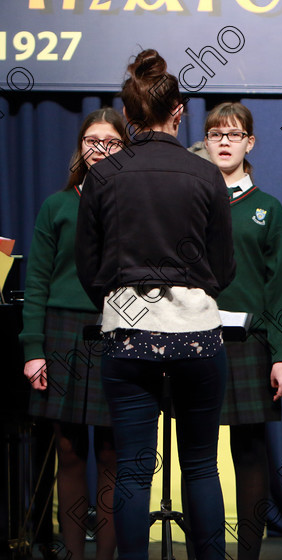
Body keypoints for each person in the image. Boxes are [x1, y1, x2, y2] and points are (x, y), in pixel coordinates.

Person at [75, 49, 235, 560]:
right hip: (196, 334)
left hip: (126, 334)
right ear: (179, 112)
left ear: (127, 115)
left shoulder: (102, 177)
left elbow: (87, 265)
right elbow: (224, 267)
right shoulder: (208, 175)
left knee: (134, 466)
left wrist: (122, 298)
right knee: (202, 465)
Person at [20, 107, 126, 560]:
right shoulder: (57, 206)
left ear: (125, 147)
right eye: (91, 140)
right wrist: (33, 349)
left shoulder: (132, 204)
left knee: (111, 452)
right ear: (80, 147)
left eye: (111, 141)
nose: (100, 148)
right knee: (69, 450)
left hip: (116, 330)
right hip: (62, 332)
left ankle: (106, 555)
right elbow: (37, 282)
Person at [202, 101, 282, 559]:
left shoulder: (267, 209)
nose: (224, 141)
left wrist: (281, 355)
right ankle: (208, 549)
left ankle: (250, 554)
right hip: (193, 341)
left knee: (250, 452)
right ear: (204, 141)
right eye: (216, 134)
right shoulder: (191, 201)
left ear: (249, 143)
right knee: (198, 454)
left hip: (250, 345)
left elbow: (280, 290)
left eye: (233, 134)